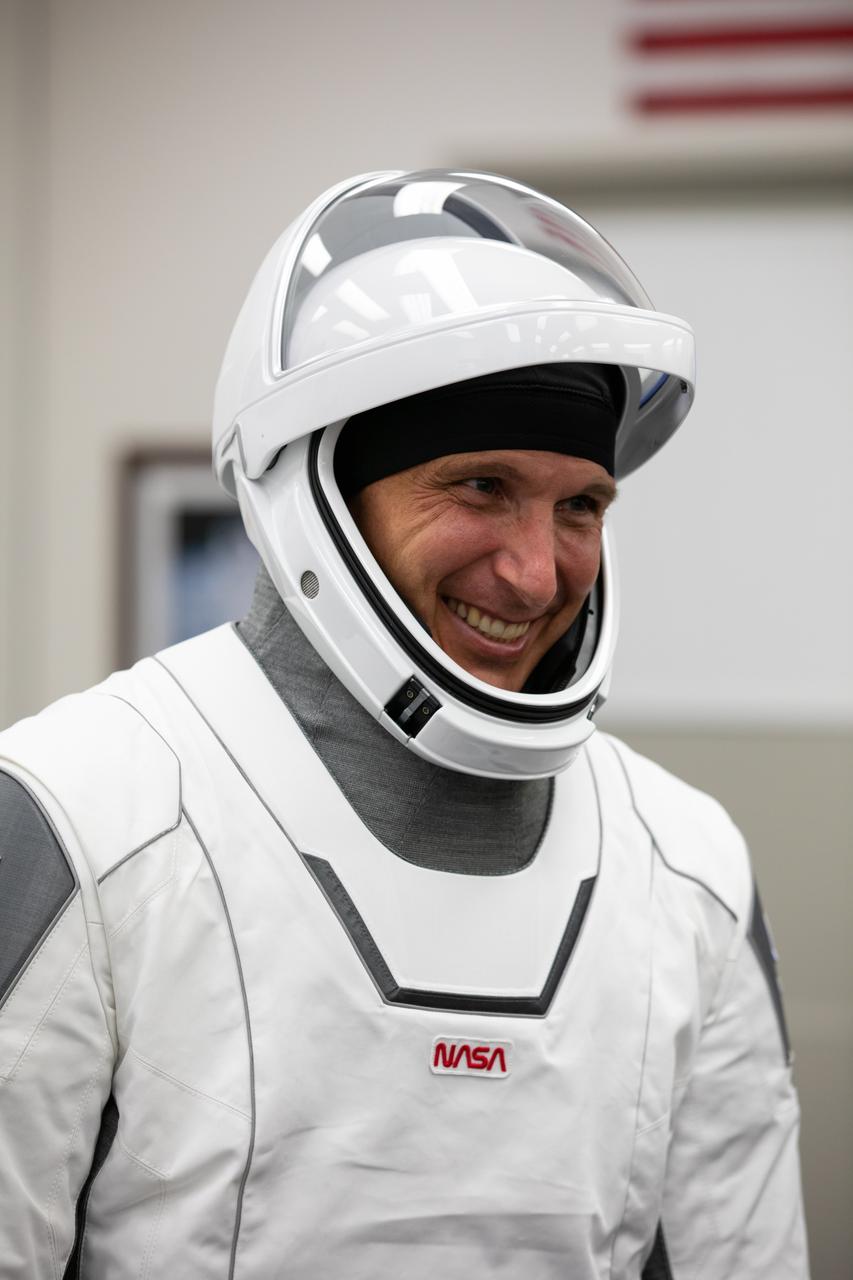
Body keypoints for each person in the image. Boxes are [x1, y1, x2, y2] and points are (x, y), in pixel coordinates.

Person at [0, 170, 808, 1278]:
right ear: (318, 495)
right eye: (478, 484)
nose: (535, 572)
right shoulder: (81, 815)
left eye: (579, 504)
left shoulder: (687, 864)